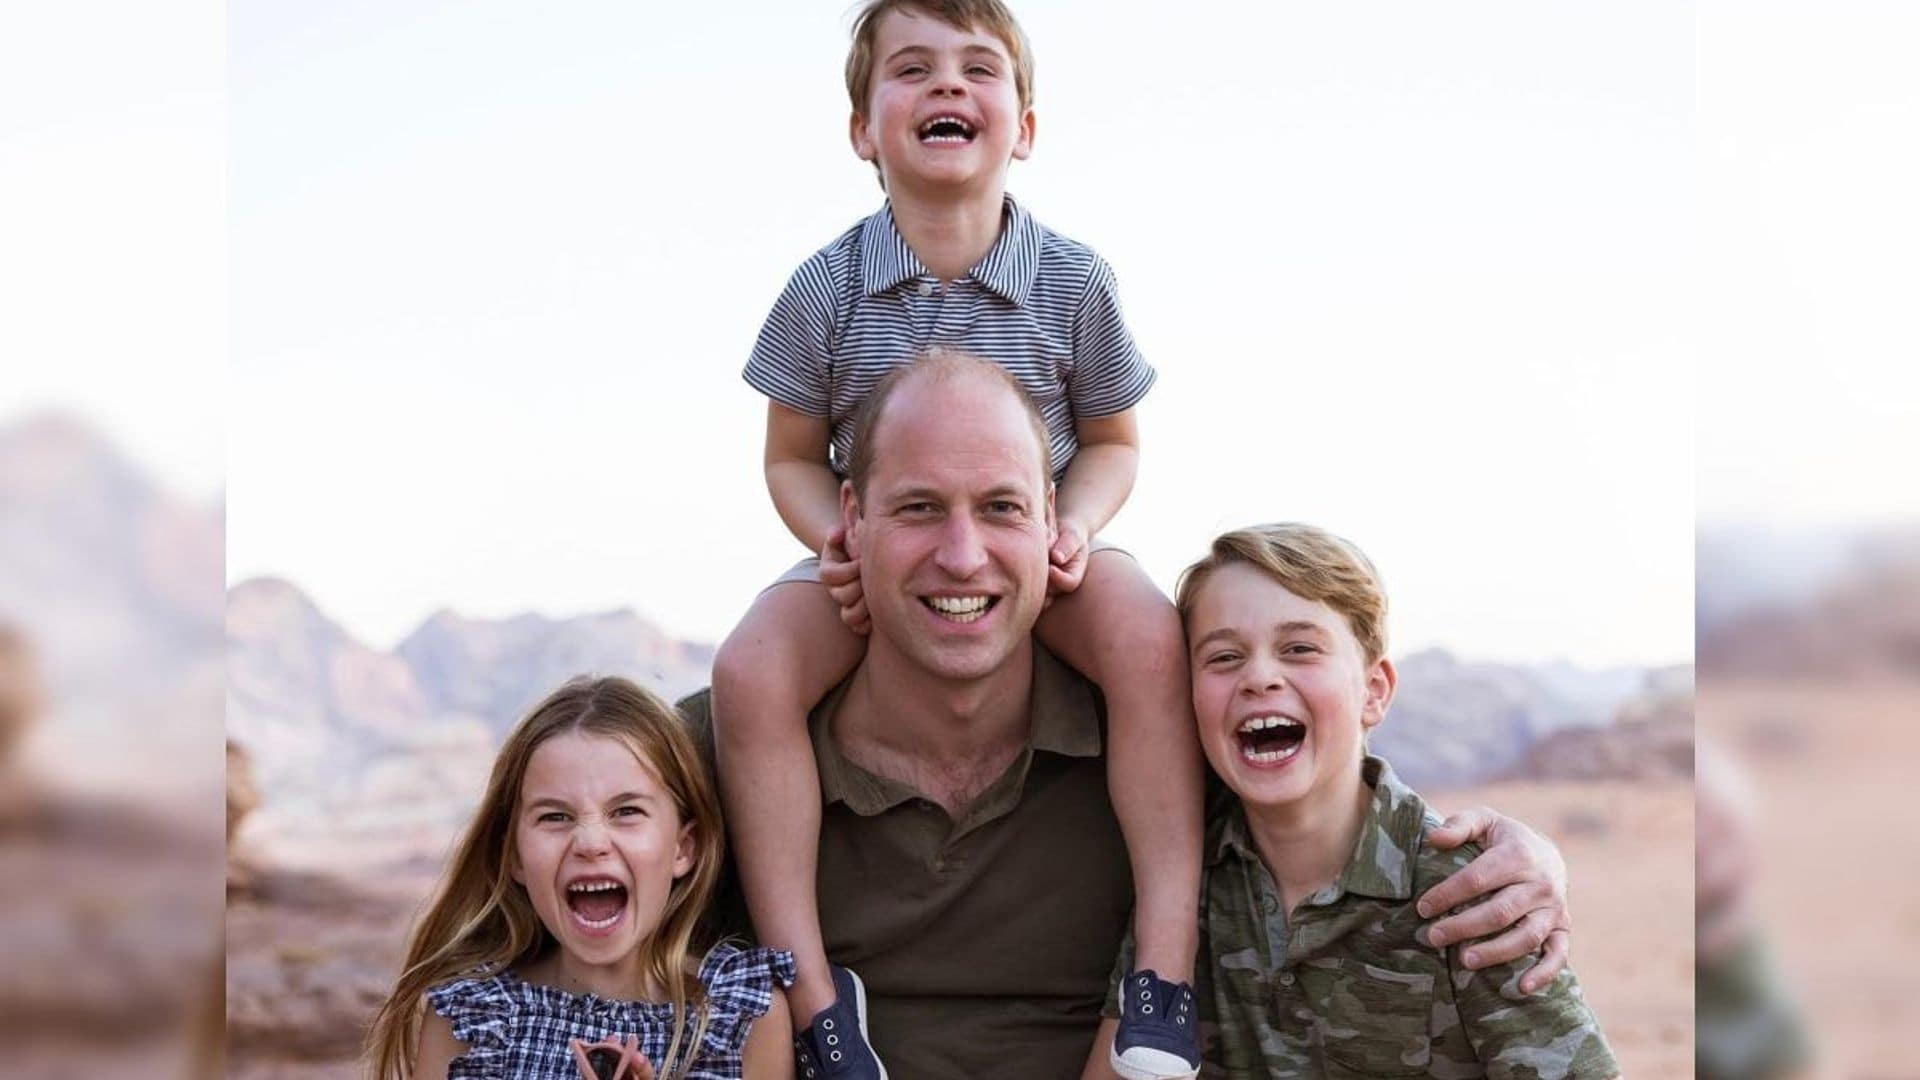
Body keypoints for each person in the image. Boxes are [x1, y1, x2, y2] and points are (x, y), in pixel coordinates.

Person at [680, 352, 1576, 1080]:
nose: (962, 555)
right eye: (918, 508)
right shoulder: (721, 762)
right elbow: (563, 846)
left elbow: (1325, 813)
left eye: (1001, 508)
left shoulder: (1160, 754)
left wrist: (1522, 856)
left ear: (1054, 525)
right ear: (851, 519)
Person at [711, 1, 1205, 1075]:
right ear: (862, 128)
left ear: (1023, 125)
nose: (946, 88)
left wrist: (1075, 523)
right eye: (912, 71)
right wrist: (829, 544)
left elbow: (1116, 442)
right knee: (751, 668)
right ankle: (812, 998)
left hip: (1044, 553)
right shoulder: (826, 287)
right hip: (875, 556)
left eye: (977, 69)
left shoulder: (1072, 281)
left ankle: (1164, 969)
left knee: (1150, 639)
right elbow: (791, 456)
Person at [1093, 524, 1618, 1078]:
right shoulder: (1179, 873)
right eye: (1223, 657)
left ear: (1375, 692)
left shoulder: (1469, 891)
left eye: (1299, 649)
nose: (1260, 677)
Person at [365, 677, 794, 1080]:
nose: (590, 842)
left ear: (683, 848)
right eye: (555, 816)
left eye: (626, 812)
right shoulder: (471, 1017)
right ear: (513, 855)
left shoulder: (743, 1015)